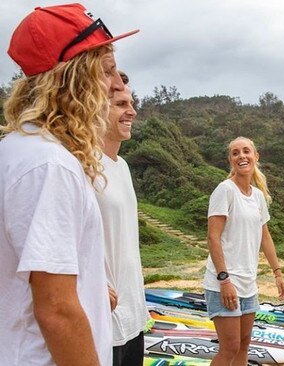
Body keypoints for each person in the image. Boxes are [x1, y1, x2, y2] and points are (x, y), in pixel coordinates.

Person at [0, 3, 137, 365]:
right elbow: (57, 310)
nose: (118, 84)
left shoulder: (19, 150)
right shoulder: (49, 165)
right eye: (107, 71)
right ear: (74, 77)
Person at [203, 136, 284, 366]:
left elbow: (265, 237)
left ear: (255, 156)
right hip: (224, 282)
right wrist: (224, 280)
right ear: (230, 160)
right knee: (229, 347)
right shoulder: (225, 191)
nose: (242, 156)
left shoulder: (258, 196)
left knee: (243, 344)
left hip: (249, 285)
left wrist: (278, 273)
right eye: (236, 153)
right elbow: (213, 237)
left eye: (246, 151)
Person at [96, 70, 149, 366]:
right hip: (103, 319)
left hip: (133, 316)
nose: (131, 111)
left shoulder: (123, 166)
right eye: (120, 104)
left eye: (130, 103)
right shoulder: (81, 164)